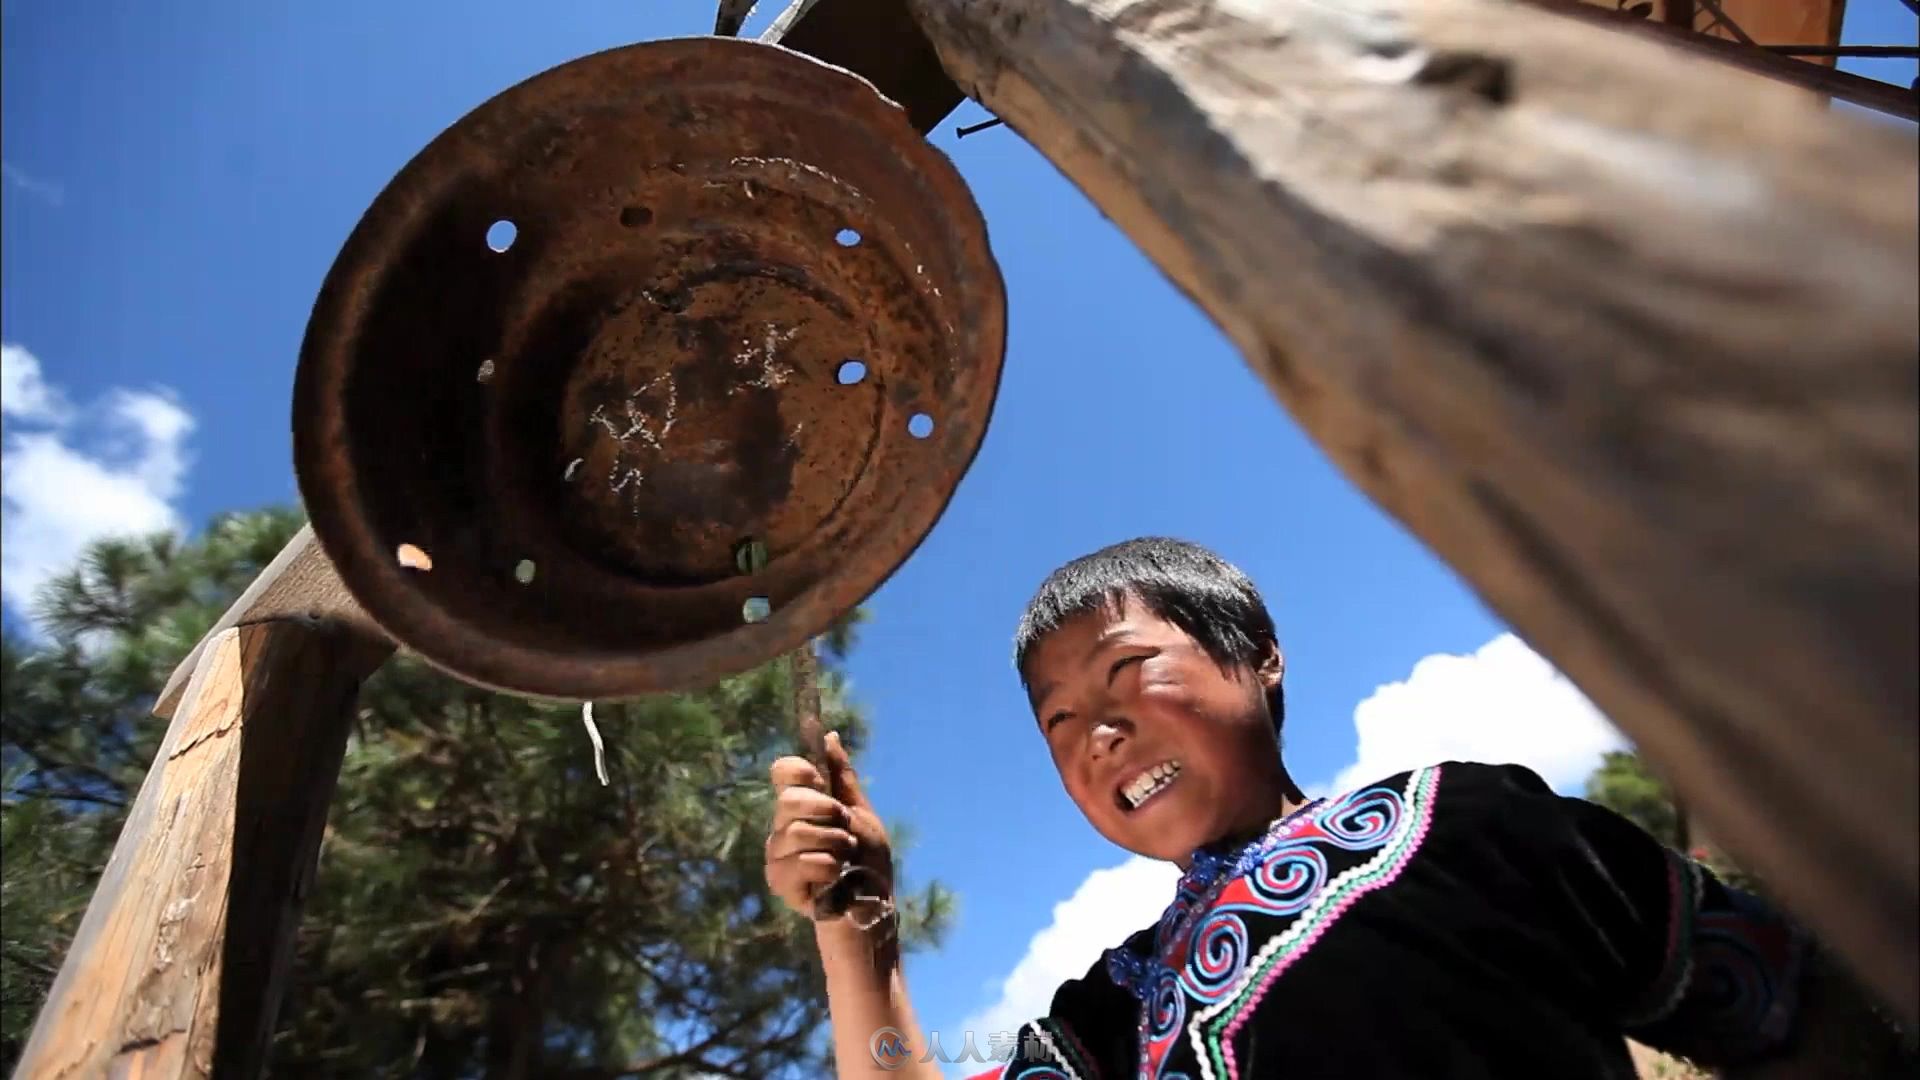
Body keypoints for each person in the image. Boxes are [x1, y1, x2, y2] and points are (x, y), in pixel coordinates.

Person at [764, 537, 1900, 1078]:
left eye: (1127, 676)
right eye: (1059, 725)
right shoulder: (1110, 1009)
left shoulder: (1468, 823)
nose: (1097, 734)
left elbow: (1790, 1012)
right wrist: (859, 942)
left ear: (1257, 656)